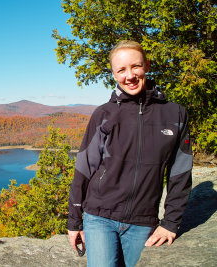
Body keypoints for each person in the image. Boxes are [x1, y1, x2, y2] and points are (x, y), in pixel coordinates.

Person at [67, 40, 193, 267]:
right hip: (100, 217)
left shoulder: (175, 114)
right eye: (121, 70)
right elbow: (84, 168)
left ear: (146, 65)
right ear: (114, 74)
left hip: (143, 221)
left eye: (135, 66)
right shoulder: (104, 114)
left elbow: (180, 173)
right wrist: (75, 221)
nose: (130, 76)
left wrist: (171, 222)